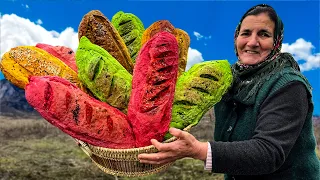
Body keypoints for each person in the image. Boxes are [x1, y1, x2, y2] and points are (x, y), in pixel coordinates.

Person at [138, 4, 320, 180]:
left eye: (263, 34)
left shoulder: (288, 85)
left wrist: (198, 150)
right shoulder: (227, 79)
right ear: (236, 38)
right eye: (246, 33)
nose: (252, 42)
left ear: (276, 42)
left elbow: (268, 153)